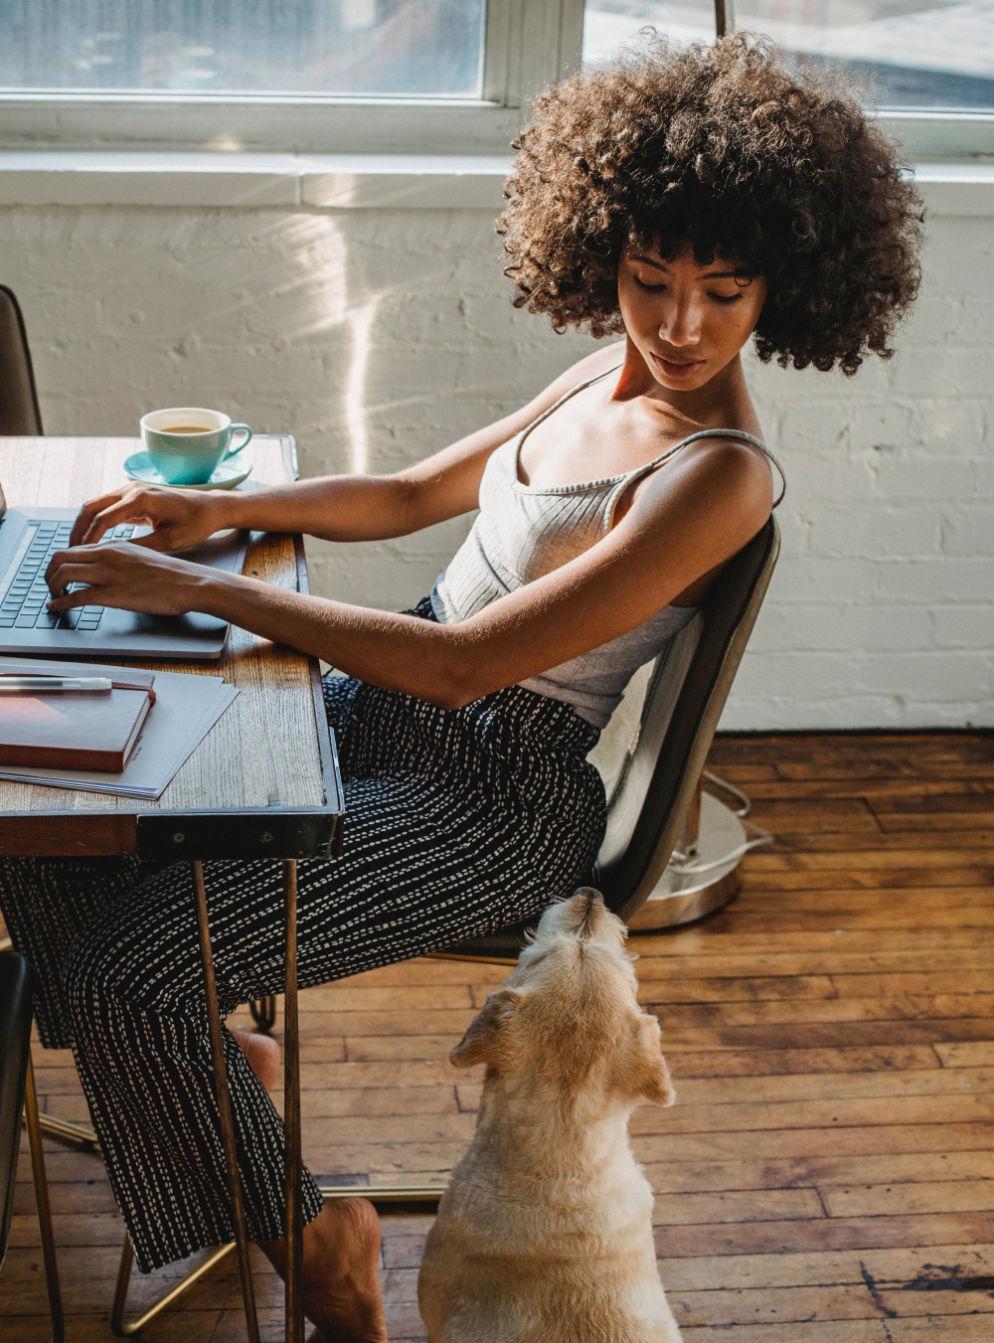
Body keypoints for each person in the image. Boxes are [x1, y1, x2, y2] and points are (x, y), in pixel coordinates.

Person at [0, 30, 922, 1343]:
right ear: (600, 248)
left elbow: (473, 662)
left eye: (721, 293)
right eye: (646, 277)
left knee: (136, 980)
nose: (673, 325)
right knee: (43, 812)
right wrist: (213, 513)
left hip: (490, 798)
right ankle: (217, 1081)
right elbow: (405, 496)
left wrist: (208, 594)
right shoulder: (597, 372)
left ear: (785, 288)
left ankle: (320, 1235)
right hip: (382, 719)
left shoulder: (718, 472)